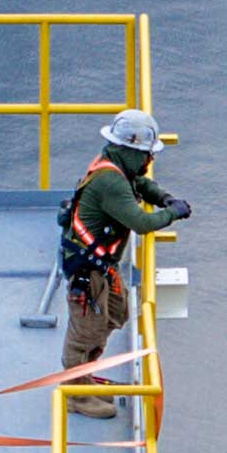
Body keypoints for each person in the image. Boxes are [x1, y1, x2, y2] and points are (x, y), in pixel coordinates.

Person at [60, 108, 190, 379]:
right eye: (146, 153)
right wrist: (173, 213)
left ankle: (87, 372)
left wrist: (163, 198)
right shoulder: (111, 182)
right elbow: (142, 223)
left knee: (116, 312)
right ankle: (76, 392)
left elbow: (140, 184)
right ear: (131, 151)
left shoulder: (116, 166)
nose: (150, 158)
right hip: (87, 269)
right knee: (86, 331)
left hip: (103, 265)